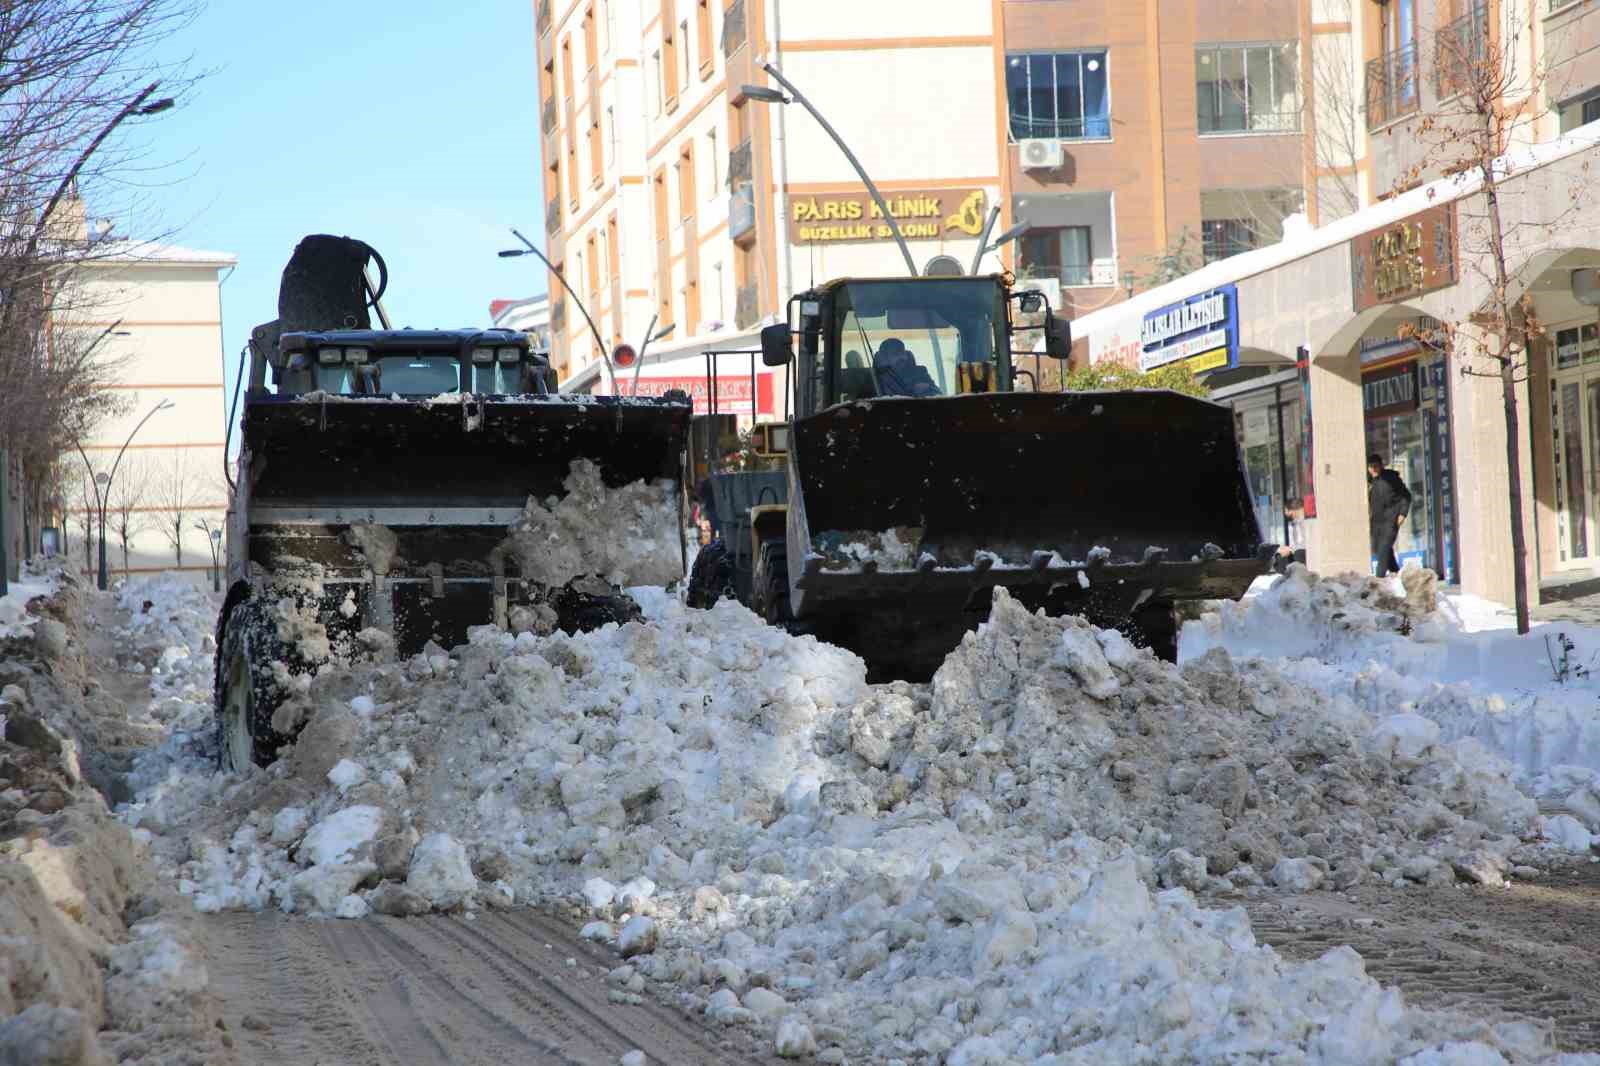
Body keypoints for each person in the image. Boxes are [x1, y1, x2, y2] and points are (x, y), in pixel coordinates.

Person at [1367, 453, 1412, 576]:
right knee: (1383, 550)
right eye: (1371, 467)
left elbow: (1406, 496)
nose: (1373, 469)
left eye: (1376, 466)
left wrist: (1403, 513)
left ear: (1381, 466)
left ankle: (1379, 580)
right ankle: (1396, 573)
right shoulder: (1371, 481)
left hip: (1391, 520)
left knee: (1383, 550)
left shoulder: (1391, 478)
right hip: (1377, 523)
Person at [872, 338, 940, 397]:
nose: (902, 357)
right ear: (884, 358)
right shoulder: (873, 377)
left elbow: (939, 395)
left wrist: (928, 387)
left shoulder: (920, 372)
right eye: (895, 354)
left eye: (903, 353)